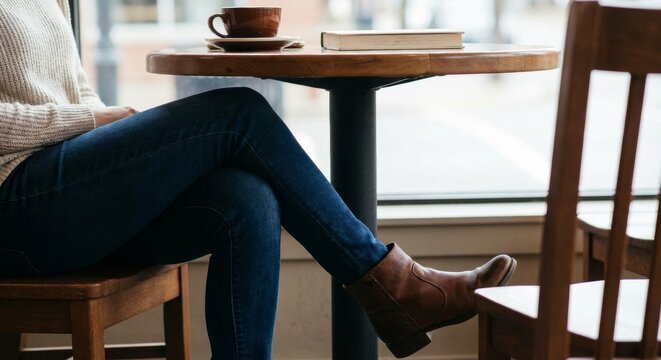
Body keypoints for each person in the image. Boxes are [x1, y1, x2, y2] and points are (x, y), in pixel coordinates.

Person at [0, 1, 516, 359]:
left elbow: (64, 89)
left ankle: (394, 292)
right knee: (238, 112)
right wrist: (91, 124)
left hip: (66, 189)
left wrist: (113, 130)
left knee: (246, 199)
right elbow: (62, 114)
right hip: (16, 209)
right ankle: (397, 287)